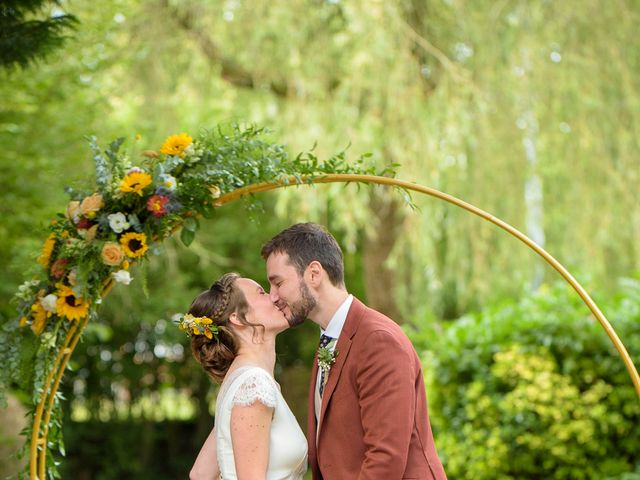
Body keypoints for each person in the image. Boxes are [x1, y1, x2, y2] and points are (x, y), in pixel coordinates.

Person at [261, 223, 447, 479]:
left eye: (278, 283)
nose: (273, 296)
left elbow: (386, 459)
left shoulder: (378, 340)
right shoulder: (328, 340)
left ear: (314, 274)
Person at [183, 272, 307, 480]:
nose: (274, 297)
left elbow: (201, 473)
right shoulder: (253, 384)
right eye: (262, 292)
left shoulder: (242, 380)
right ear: (238, 318)